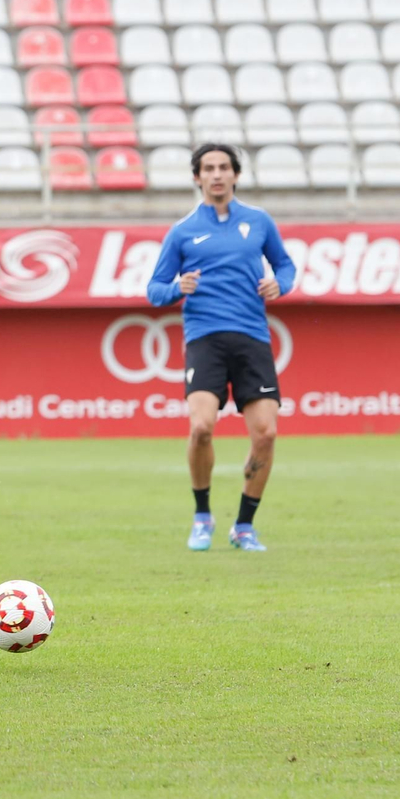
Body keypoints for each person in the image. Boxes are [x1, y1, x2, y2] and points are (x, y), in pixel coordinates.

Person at [147, 143, 296, 553]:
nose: (216, 174)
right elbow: (154, 290)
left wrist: (280, 283)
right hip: (205, 338)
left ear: (235, 175)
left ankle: (244, 527)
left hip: (252, 337)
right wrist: (178, 287)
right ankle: (202, 516)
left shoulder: (259, 222)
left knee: (266, 434)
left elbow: (285, 265)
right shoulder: (182, 231)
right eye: (208, 168)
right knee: (201, 427)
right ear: (197, 177)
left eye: (224, 167)